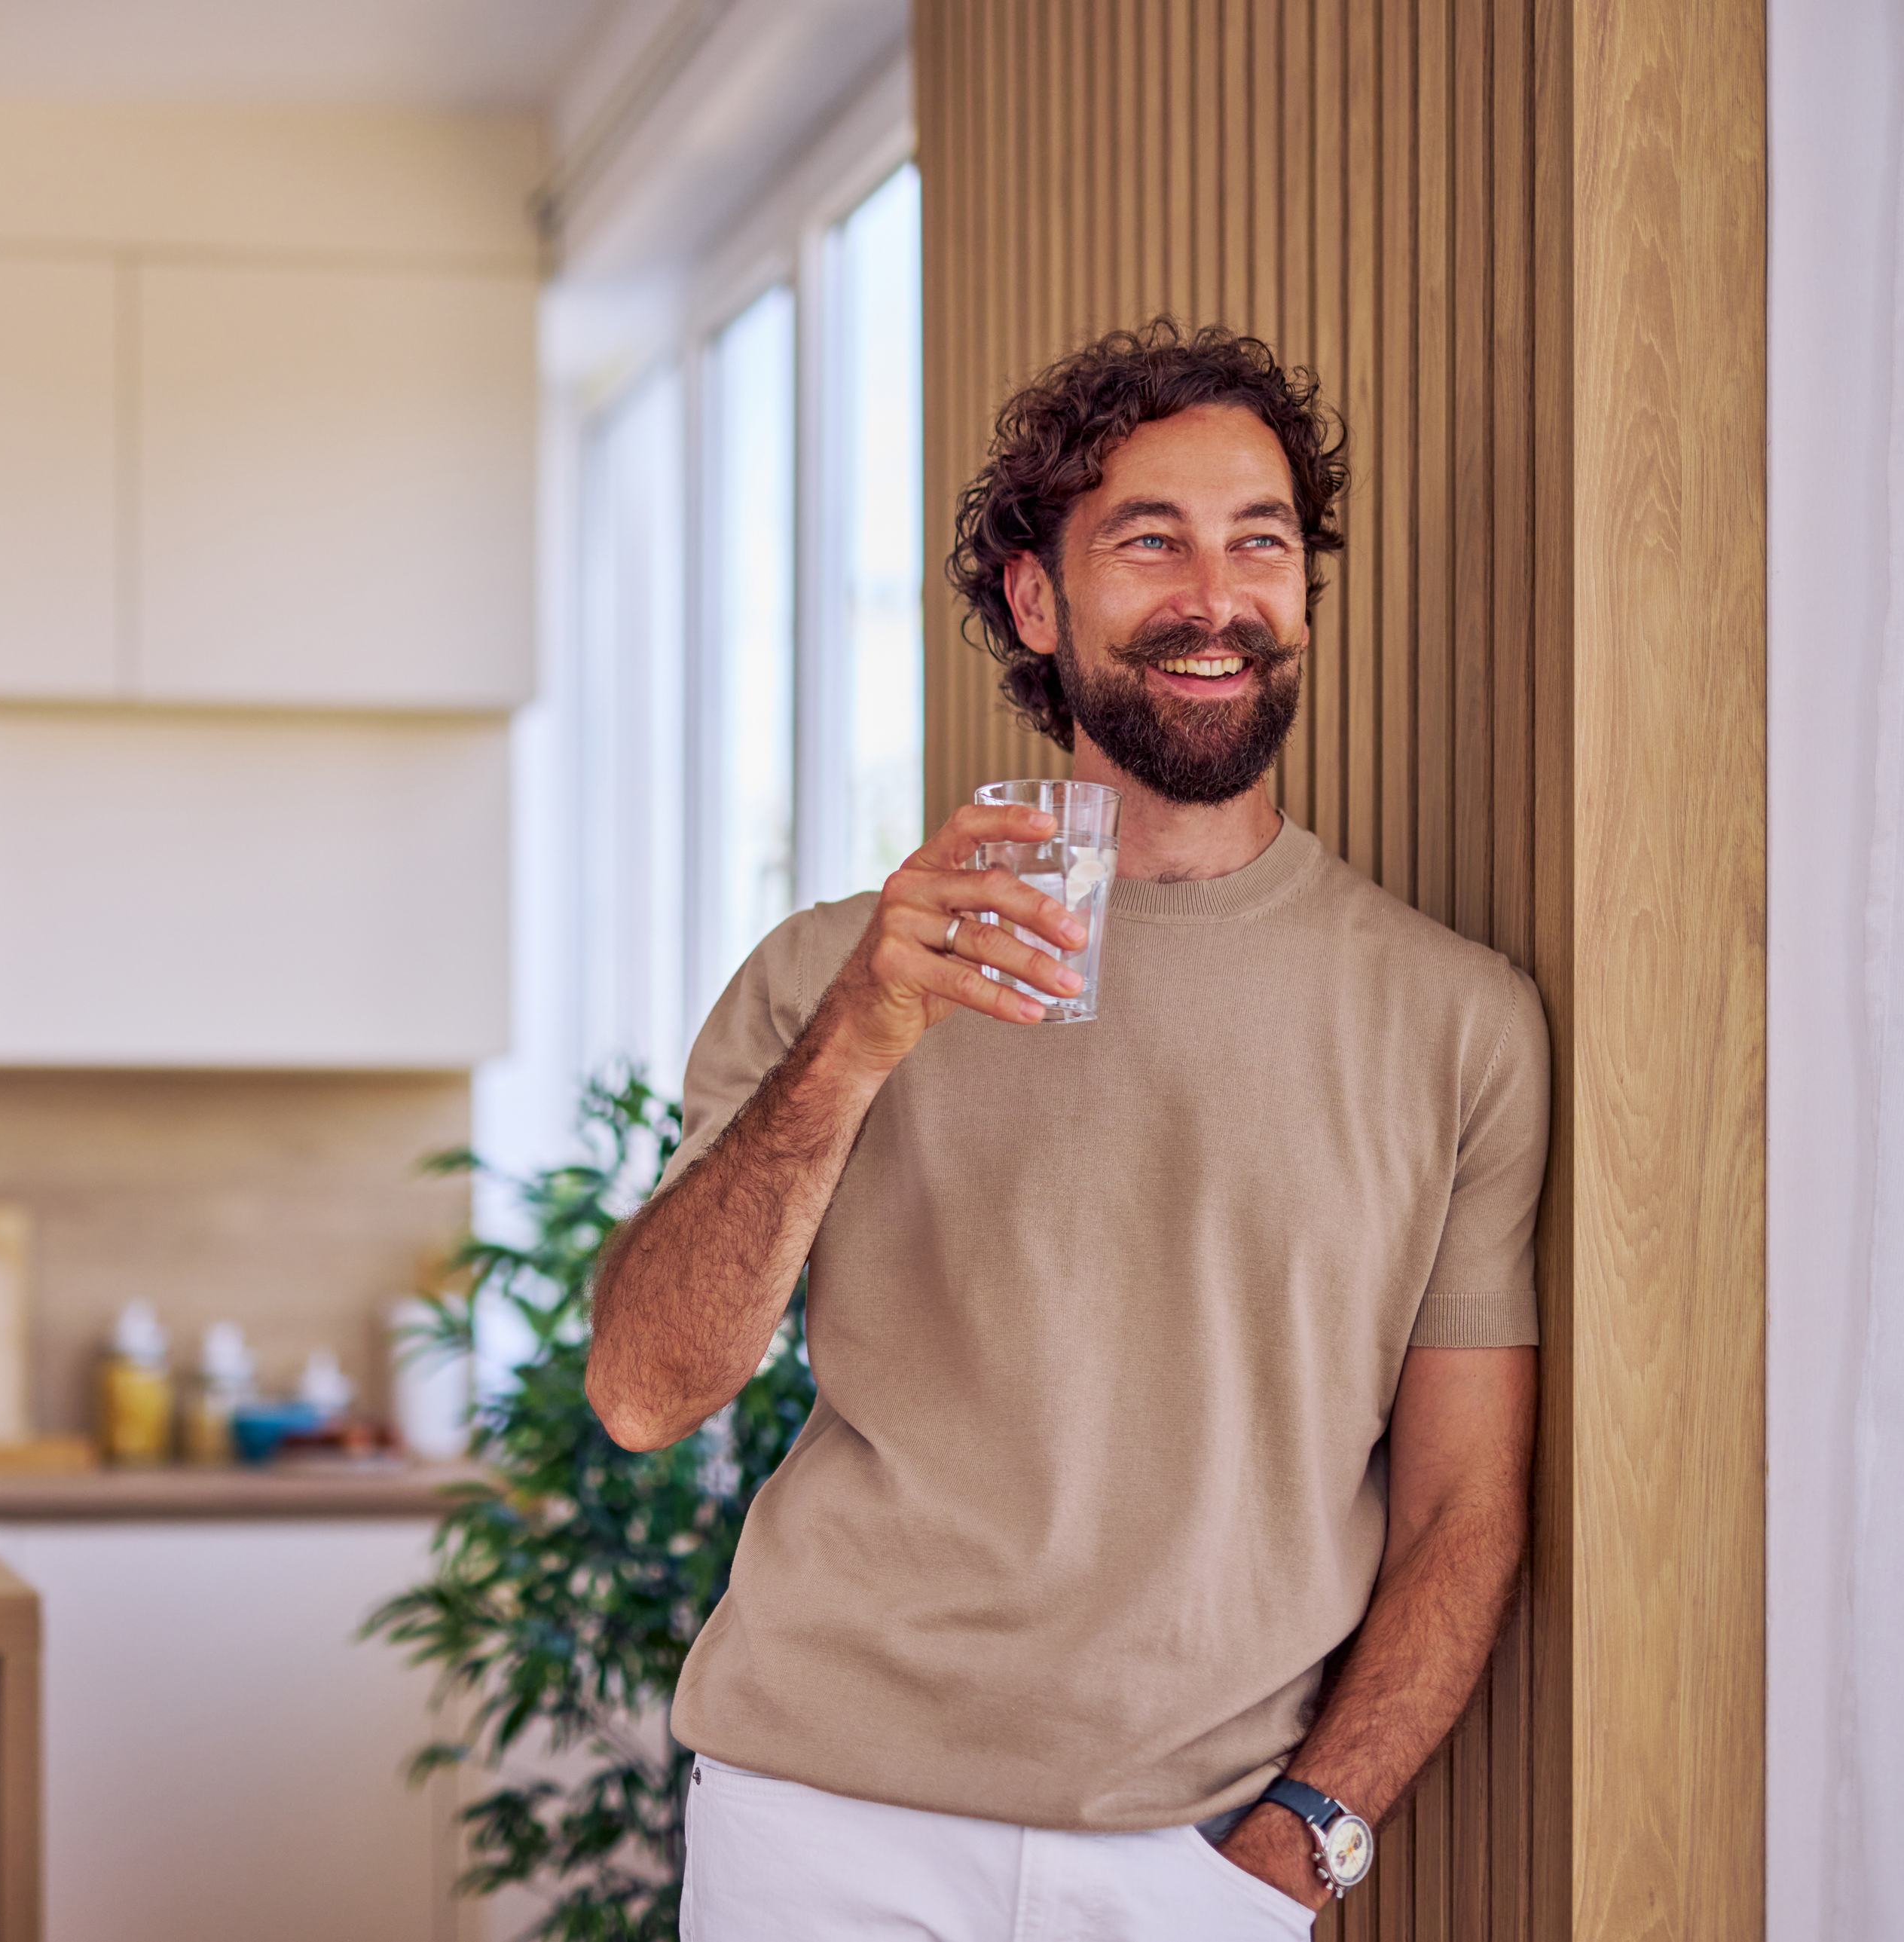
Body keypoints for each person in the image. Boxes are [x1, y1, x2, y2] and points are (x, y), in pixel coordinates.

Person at [587, 319, 1546, 1938]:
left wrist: (1310, 1835)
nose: (1215, 595)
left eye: (1260, 541)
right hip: (824, 1833)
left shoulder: (1458, 1020)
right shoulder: (832, 970)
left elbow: (1464, 1504)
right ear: (1037, 597)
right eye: (1148, 540)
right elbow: (642, 1388)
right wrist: (856, 1043)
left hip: (1196, 1863)